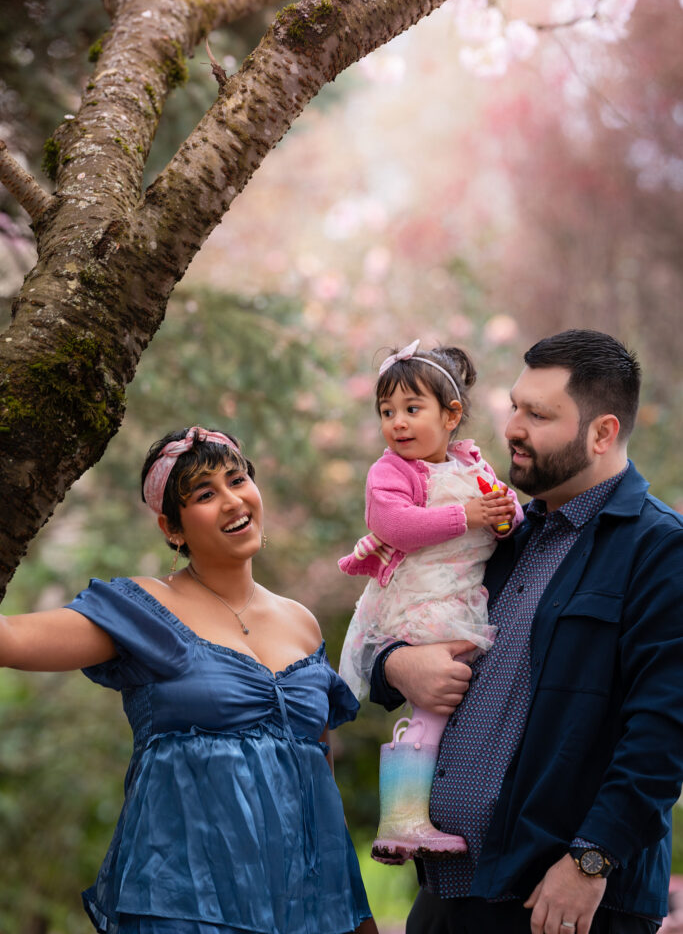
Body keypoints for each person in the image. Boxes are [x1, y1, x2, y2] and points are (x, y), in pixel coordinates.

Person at [0, 425, 377, 934]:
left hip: (306, 905)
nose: (231, 501)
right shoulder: (144, 608)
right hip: (185, 900)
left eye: (237, 480)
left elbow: (319, 769)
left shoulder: (302, 623)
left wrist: (355, 914)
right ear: (171, 528)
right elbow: (11, 640)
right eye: (204, 494)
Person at [369, 329, 683, 934]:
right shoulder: (496, 531)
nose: (512, 426)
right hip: (445, 897)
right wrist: (394, 665)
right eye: (514, 405)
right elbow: (405, 612)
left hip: (560, 904)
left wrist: (591, 861)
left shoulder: (660, 548)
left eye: (538, 414)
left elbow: (664, 731)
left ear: (603, 432)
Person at [337, 340, 521, 863]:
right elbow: (393, 525)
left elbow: (507, 516)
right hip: (419, 601)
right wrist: (469, 515)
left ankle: (409, 819)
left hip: (457, 597)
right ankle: (401, 819)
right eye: (386, 411)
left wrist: (505, 515)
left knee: (438, 708)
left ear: (452, 415)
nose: (397, 422)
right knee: (436, 699)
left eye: (412, 409)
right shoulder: (390, 472)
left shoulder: (471, 463)